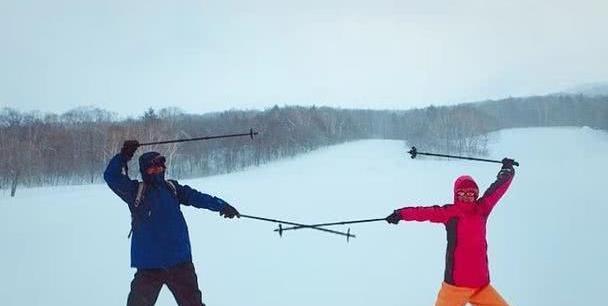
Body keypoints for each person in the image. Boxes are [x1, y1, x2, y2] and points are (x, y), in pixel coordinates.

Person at [104, 140, 240, 306]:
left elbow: (197, 197)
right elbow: (111, 177)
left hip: (179, 263)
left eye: (160, 166)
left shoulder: (172, 188)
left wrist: (222, 205)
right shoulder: (134, 191)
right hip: (149, 266)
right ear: (144, 171)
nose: (157, 170)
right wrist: (124, 156)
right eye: (152, 167)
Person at [386, 158, 516, 306]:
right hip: (455, 287)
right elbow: (423, 212)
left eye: (471, 193)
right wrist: (401, 214)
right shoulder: (449, 213)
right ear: (456, 194)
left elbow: (497, 189)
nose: (466, 197)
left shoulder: (482, 209)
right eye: (462, 193)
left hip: (481, 285)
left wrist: (507, 170)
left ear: (476, 195)